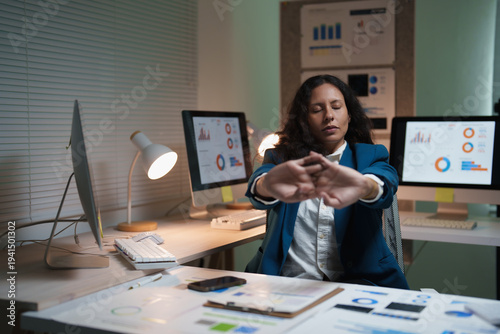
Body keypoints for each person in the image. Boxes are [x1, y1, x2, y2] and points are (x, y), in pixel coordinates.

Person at [245, 74, 409, 289]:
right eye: (317, 109)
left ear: (349, 115)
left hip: (358, 286)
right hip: (287, 284)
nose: (329, 116)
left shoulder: (371, 155)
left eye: (337, 107)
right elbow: (259, 185)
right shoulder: (280, 158)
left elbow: (384, 184)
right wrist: (267, 184)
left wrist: (363, 185)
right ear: (303, 120)